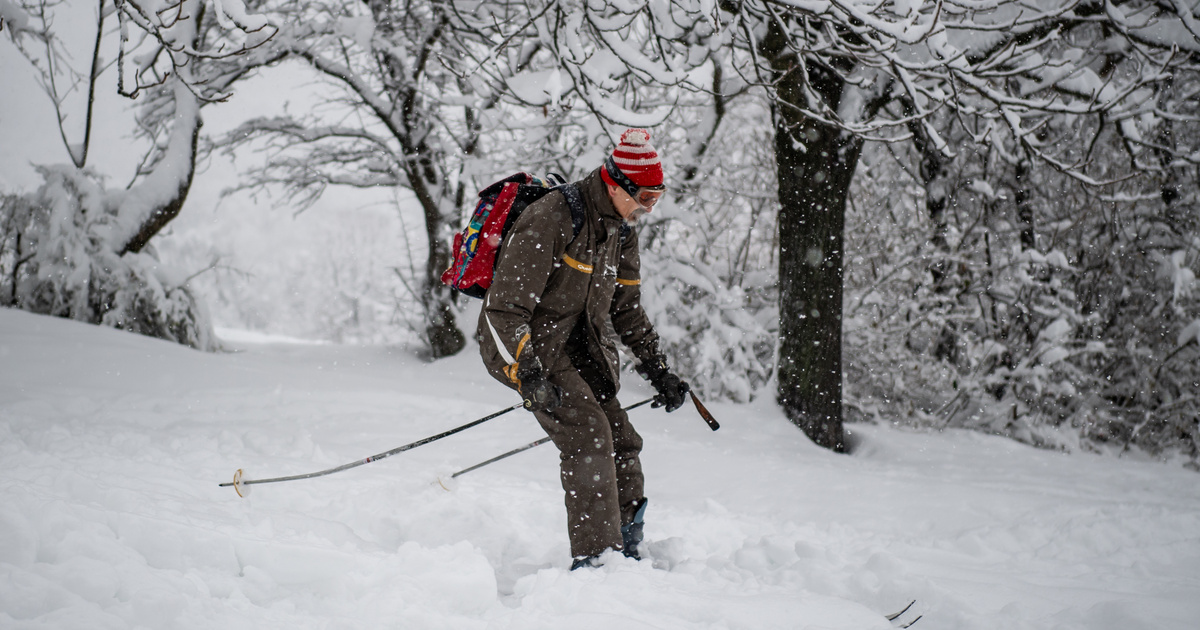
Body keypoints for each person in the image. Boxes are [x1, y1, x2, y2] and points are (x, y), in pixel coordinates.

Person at [478, 128, 691, 570]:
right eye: (645, 197)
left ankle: (628, 547)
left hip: (581, 350)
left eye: (658, 197)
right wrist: (529, 374)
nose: (650, 208)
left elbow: (627, 311)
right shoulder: (551, 217)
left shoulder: (621, 232)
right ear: (616, 185)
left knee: (622, 439)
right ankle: (597, 562)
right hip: (525, 346)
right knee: (588, 435)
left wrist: (658, 369)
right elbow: (503, 310)